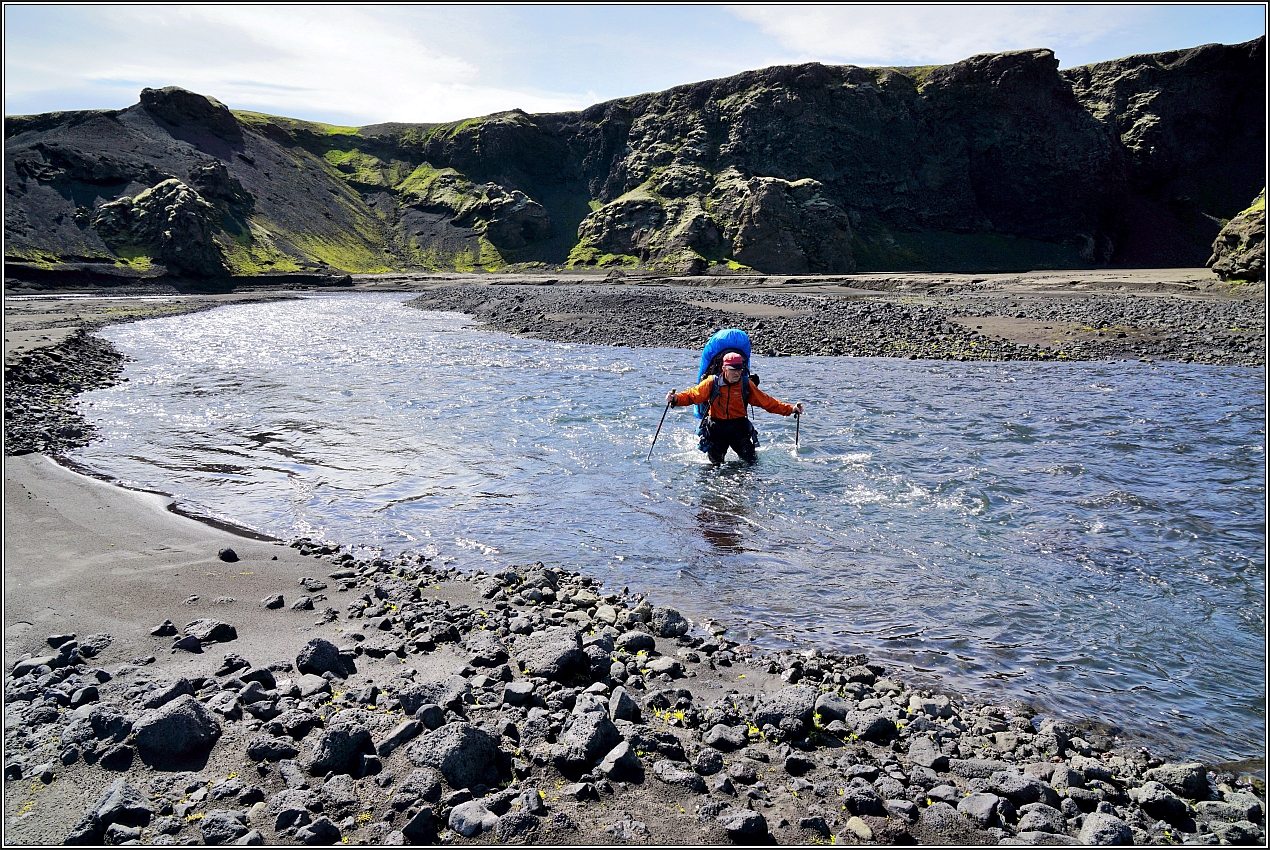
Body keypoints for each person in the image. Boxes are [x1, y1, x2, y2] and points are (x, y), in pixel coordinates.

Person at [665, 352, 803, 464]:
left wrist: (790, 409)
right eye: (733, 370)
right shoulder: (711, 383)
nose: (737, 373)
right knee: (715, 467)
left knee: (752, 463)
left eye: (739, 370)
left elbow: (767, 402)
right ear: (724, 369)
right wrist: (675, 399)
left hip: (739, 429)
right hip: (716, 429)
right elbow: (692, 396)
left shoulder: (746, 384)